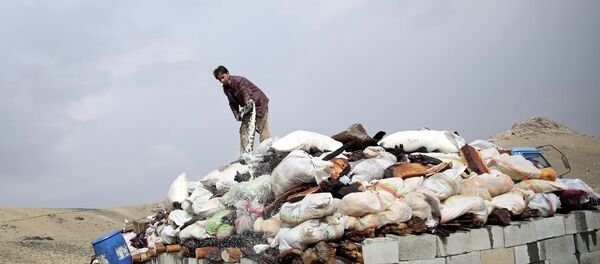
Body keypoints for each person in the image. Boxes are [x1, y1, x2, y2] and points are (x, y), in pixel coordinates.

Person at [213, 65, 270, 153]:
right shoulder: (226, 89)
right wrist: (236, 114)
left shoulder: (239, 80)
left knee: (263, 129)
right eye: (219, 79)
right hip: (248, 108)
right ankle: (245, 154)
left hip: (259, 104)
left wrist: (247, 101)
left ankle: (266, 151)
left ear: (228, 73)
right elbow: (232, 103)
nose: (222, 80)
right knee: (244, 129)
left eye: (223, 77)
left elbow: (245, 91)